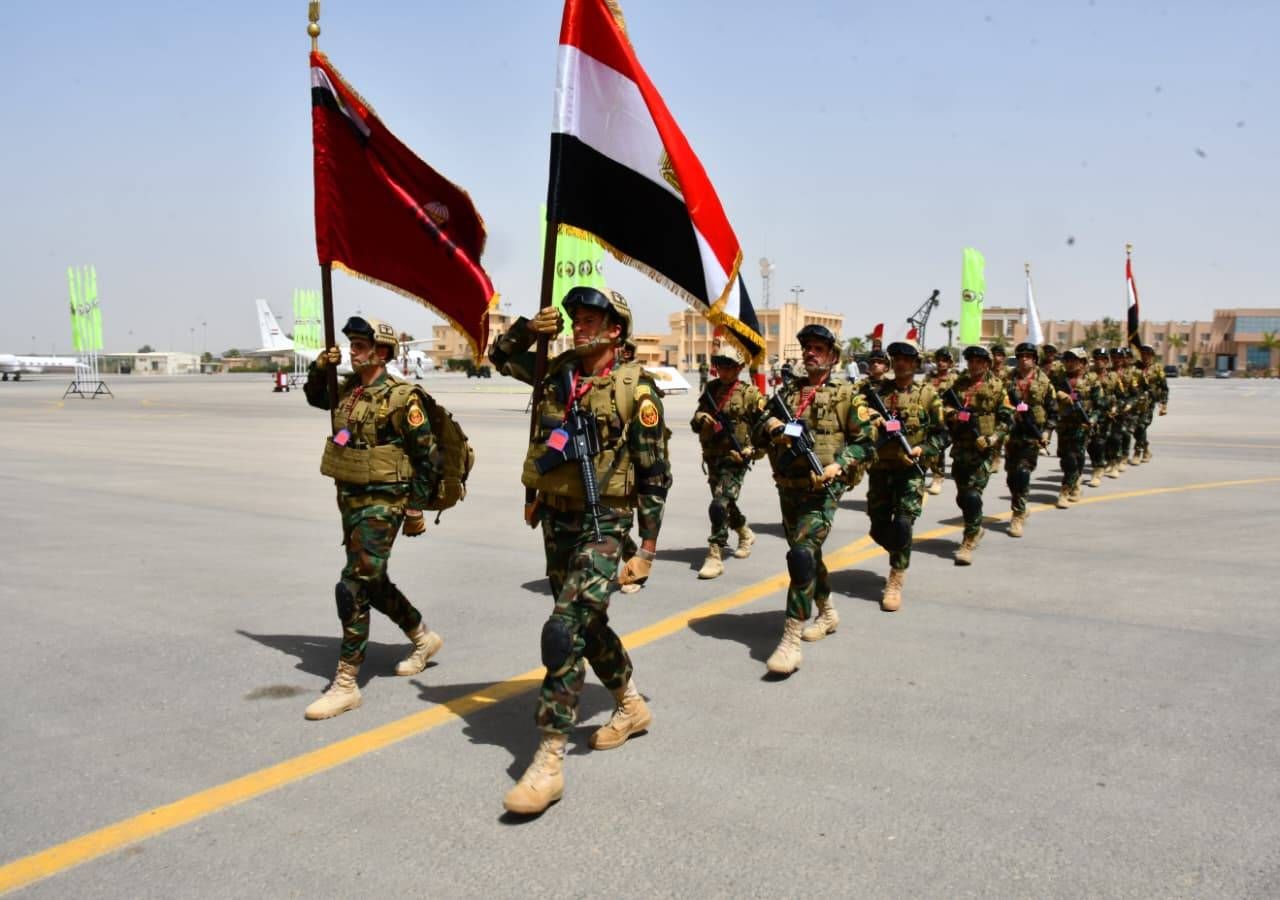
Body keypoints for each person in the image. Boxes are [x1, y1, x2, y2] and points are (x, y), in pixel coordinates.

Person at [488, 287, 671, 815]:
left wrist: (647, 550)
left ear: (616, 330)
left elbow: (655, 476)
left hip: (604, 521)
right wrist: (529, 330)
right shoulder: (557, 372)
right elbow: (499, 357)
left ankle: (549, 757)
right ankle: (631, 705)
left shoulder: (636, 390)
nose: (579, 326)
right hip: (557, 517)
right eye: (576, 319)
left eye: (591, 319)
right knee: (586, 625)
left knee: (563, 629)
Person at [300, 316, 444, 721]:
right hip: (351, 497)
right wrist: (321, 367)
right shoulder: (349, 390)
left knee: (353, 583)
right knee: (373, 579)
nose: (353, 351)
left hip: (386, 500)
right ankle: (423, 637)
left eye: (360, 345)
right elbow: (316, 398)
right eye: (351, 345)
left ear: (382, 352)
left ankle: (346, 683)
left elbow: (428, 457)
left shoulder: (402, 397)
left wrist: (415, 507)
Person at [755, 324, 876, 673]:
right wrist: (772, 428)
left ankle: (790, 640)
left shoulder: (848, 395)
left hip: (823, 490)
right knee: (809, 554)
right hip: (789, 487)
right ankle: (827, 612)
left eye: (818, 348)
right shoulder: (788, 393)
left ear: (833, 357)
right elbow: (759, 427)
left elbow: (867, 441)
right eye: (807, 347)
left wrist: (840, 463)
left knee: (801, 555)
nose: (810, 353)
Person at [864, 340, 947, 609]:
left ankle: (896, 577)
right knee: (878, 528)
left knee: (902, 523)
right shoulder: (878, 392)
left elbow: (942, 434)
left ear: (916, 363)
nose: (901, 363)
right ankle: (901, 549)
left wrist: (925, 449)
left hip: (910, 470)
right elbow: (857, 418)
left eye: (907, 359)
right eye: (897, 358)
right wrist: (871, 417)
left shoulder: (928, 395)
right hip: (880, 469)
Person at [692, 342, 764, 579]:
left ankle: (715, 553)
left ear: (739, 368)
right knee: (725, 503)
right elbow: (695, 420)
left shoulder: (750, 394)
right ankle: (744, 532)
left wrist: (752, 450)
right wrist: (701, 417)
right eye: (720, 366)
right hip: (713, 456)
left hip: (735, 459)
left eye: (728, 366)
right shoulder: (711, 389)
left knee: (719, 504)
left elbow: (764, 427)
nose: (723, 371)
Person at [943, 346, 1012, 565]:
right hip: (961, 447)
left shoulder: (997, 387)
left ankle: (969, 538)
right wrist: (952, 414)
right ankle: (975, 526)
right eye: (971, 361)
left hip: (983, 450)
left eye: (979, 361)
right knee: (962, 496)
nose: (974, 365)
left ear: (987, 364)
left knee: (973, 495)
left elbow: (1007, 418)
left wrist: (993, 439)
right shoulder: (960, 385)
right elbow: (944, 406)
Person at [1004, 342, 1055, 537]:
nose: (1024, 359)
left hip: (1032, 434)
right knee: (1011, 476)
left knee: (1023, 472)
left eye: (1028, 356)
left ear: (1035, 359)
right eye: (1021, 356)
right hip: (1011, 432)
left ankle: (1018, 514)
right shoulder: (1007, 379)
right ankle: (1021, 504)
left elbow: (1052, 410)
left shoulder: (1044, 382)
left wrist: (1047, 432)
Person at [1050, 348, 1102, 507]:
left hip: (1082, 426)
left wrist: (1092, 419)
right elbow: (1047, 394)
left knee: (1073, 457)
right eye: (1067, 360)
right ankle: (1076, 482)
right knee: (1066, 458)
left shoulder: (1092, 381)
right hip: (1064, 425)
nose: (1069, 363)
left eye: (1073, 360)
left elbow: (1100, 405)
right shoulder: (1059, 379)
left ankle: (1065, 491)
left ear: (1083, 362)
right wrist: (1058, 394)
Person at [925, 348, 957, 494]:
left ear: (950, 363)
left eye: (945, 360)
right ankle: (936, 477)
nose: (941, 363)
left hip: (950, 421)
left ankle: (938, 477)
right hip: (931, 420)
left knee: (939, 447)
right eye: (938, 360)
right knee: (933, 447)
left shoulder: (955, 379)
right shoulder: (929, 378)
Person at [1132, 344, 1169, 463]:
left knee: (1142, 426)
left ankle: (1137, 452)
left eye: (1148, 354)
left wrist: (1163, 403)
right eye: (1143, 354)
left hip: (1149, 403)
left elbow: (1164, 388)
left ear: (1152, 355)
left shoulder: (1157, 369)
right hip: (1135, 403)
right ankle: (1146, 449)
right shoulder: (1135, 367)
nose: (1145, 356)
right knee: (1136, 429)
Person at [1086, 348, 1116, 487]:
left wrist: (1115, 407)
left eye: (1103, 359)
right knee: (1090, 445)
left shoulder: (1113, 377)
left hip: (1107, 415)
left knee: (1101, 442)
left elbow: (1120, 395)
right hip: (1090, 414)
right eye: (1097, 358)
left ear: (1107, 361)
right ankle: (1099, 464)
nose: (1099, 361)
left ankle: (1098, 469)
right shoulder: (1088, 376)